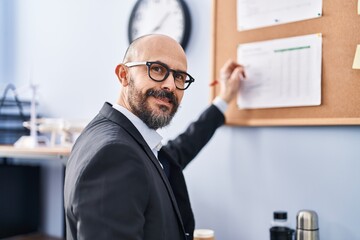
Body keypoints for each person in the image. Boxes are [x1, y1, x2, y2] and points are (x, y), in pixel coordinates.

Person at [64, 34, 245, 240]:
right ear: (124, 75)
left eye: (179, 76)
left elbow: (176, 154)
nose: (170, 85)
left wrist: (224, 100)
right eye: (157, 69)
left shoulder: (126, 140)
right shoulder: (114, 153)